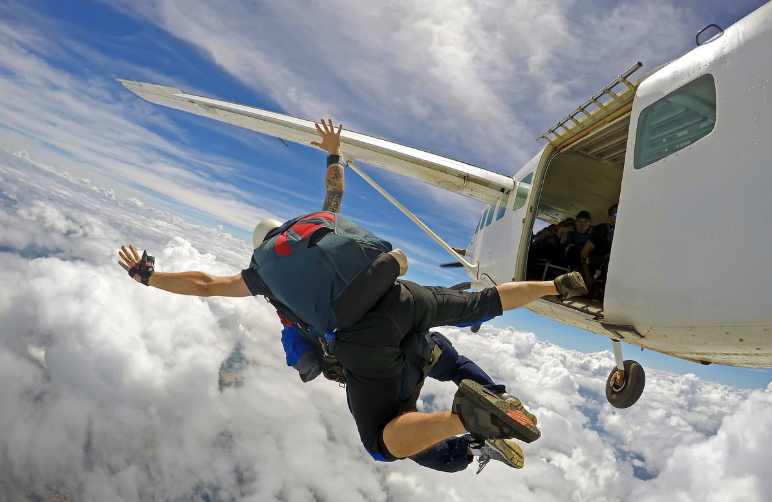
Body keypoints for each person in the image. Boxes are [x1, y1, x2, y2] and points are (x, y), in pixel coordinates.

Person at [119, 119, 589, 474]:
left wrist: (150, 276)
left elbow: (204, 284)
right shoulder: (316, 227)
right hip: (403, 296)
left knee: (383, 441)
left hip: (366, 343)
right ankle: (556, 287)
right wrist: (333, 151)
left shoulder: (263, 274)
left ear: (258, 247)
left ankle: (464, 422)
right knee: (476, 310)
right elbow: (334, 191)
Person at [580, 204, 617, 295]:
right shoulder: (603, 230)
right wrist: (588, 277)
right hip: (596, 265)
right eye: (616, 214)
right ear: (610, 218)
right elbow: (584, 252)